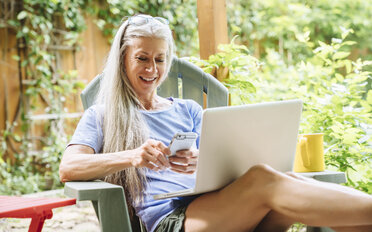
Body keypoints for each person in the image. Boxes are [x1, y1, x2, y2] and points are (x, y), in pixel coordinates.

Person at [59, 14, 372, 232]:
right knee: (264, 178)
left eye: (160, 58)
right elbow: (69, 168)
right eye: (142, 58)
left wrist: (199, 162)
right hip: (174, 221)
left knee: (285, 178)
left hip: (219, 206)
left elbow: (216, 168)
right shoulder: (102, 115)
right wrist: (132, 156)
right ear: (124, 59)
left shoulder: (189, 109)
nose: (152, 68)